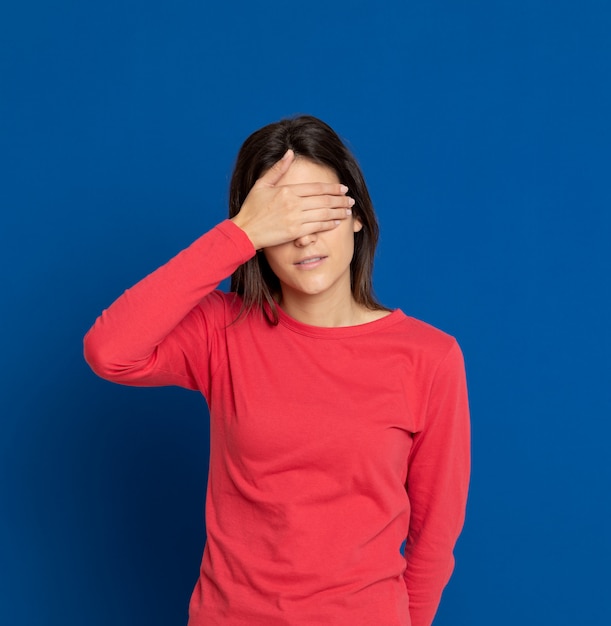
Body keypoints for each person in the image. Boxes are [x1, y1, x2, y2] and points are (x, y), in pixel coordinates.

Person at [83, 115, 470, 626]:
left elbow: (434, 539)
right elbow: (110, 350)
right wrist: (238, 234)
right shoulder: (224, 330)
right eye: (283, 220)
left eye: (319, 212)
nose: (304, 239)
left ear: (357, 215)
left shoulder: (430, 356)